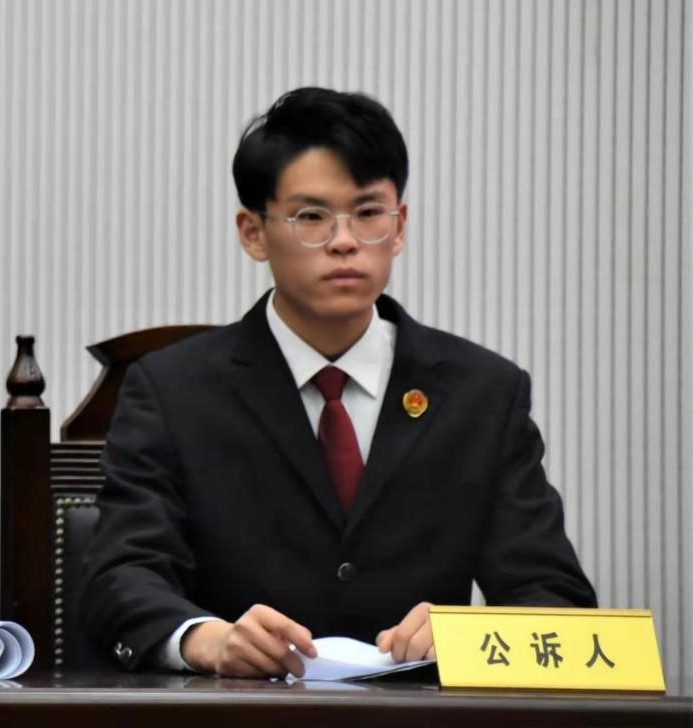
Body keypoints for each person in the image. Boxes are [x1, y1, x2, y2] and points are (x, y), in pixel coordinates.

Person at [81, 87, 595, 677]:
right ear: (252, 232)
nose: (345, 240)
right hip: (239, 709)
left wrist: (469, 635)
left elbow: (555, 596)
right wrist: (205, 640)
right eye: (311, 217)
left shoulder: (483, 394)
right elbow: (121, 575)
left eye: (369, 213)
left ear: (398, 227)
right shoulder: (174, 391)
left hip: (422, 715)